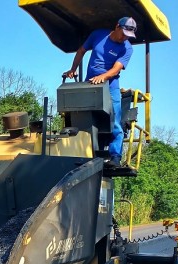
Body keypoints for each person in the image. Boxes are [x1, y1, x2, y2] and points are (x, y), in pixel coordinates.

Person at [62, 17, 136, 167]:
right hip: (90, 85)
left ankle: (115, 157)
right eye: (124, 33)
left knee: (115, 122)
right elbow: (82, 51)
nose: (124, 38)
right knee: (85, 119)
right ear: (117, 26)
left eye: (128, 36)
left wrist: (102, 77)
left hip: (111, 86)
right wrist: (73, 69)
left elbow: (116, 69)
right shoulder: (98, 35)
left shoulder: (127, 48)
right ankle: (84, 153)